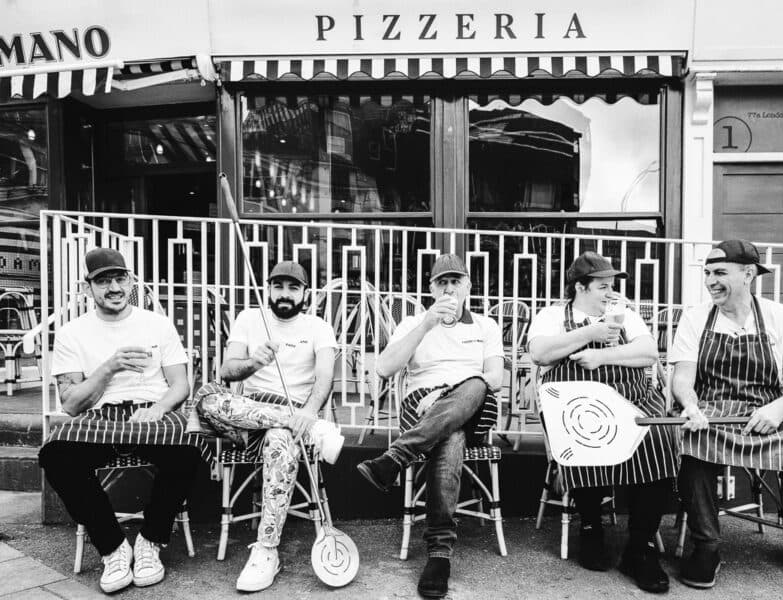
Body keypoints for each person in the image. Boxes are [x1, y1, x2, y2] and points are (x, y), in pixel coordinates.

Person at [38, 248, 201, 594]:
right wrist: (110, 366)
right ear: (88, 288)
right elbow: (70, 404)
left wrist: (158, 408)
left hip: (151, 412)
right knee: (55, 454)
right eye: (102, 281)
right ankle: (113, 548)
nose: (113, 287)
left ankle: (150, 542)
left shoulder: (157, 323)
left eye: (119, 278)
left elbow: (181, 385)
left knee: (189, 448)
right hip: (100, 417)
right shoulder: (72, 332)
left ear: (130, 281)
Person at [669, 239, 783, 589]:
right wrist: (691, 406)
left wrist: (779, 407)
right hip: (713, 411)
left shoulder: (779, 316)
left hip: (767, 412)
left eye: (720, 272)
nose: (711, 280)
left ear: (748, 274)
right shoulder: (696, 318)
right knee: (692, 445)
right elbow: (682, 377)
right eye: (708, 273)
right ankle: (706, 544)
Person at [528, 251, 679, 594]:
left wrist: (602, 355)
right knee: (584, 436)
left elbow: (648, 353)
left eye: (612, 285)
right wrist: (591, 331)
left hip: (632, 397)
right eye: (602, 286)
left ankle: (640, 549)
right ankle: (591, 527)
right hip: (577, 402)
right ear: (579, 287)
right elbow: (540, 353)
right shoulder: (553, 315)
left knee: (661, 437)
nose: (611, 292)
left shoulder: (625, 313)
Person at [356, 254, 504, 600]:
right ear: (431, 289)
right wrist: (426, 325)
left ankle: (394, 459)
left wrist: (447, 392)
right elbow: (384, 368)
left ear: (469, 286)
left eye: (456, 282)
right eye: (442, 283)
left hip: (474, 402)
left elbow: (495, 378)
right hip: (420, 407)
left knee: (477, 386)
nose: (449, 289)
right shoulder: (412, 322)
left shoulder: (485, 326)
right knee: (450, 435)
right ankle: (439, 554)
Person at [192, 260, 339, 592]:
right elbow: (227, 372)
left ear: (305, 293)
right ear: (269, 288)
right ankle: (313, 429)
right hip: (247, 416)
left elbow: (326, 377)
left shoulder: (318, 327)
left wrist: (308, 412)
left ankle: (266, 551)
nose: (285, 294)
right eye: (278, 286)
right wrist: (254, 362)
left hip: (293, 417)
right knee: (207, 399)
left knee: (280, 440)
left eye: (293, 287)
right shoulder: (249, 319)